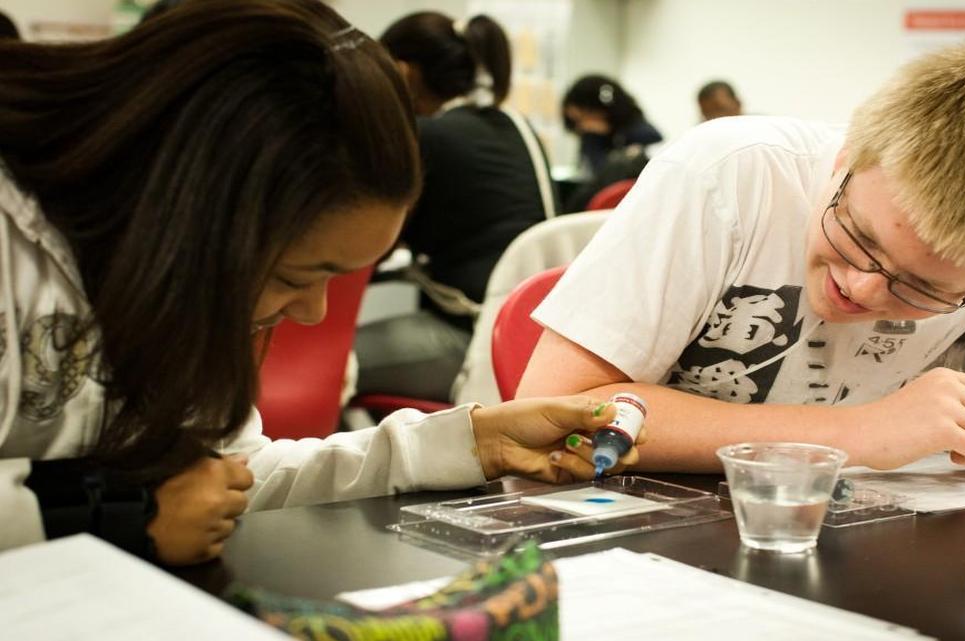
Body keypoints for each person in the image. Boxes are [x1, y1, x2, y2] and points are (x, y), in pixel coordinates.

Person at [0, 0, 641, 566]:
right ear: (189, 213)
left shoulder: (177, 289)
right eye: (297, 275)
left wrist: (473, 440)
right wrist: (115, 520)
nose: (313, 312)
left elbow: (232, 474)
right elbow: (159, 500)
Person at [518, 44, 965, 475]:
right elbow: (555, 410)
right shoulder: (730, 175)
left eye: (922, 289)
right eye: (858, 238)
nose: (864, 289)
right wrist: (860, 434)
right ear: (847, 157)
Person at [352, 11, 556, 402]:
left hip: (474, 342)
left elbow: (372, 245)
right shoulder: (516, 125)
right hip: (531, 339)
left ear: (402, 72)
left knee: (333, 367)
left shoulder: (427, 135)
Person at [561, 74, 662, 178]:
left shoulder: (638, 130)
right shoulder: (592, 137)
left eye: (582, 118)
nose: (582, 126)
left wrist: (609, 132)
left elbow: (603, 173)